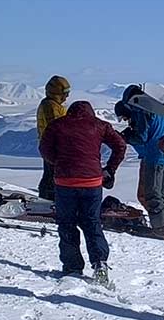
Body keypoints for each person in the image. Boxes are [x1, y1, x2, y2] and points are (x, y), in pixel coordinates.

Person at [38, 100, 127, 281]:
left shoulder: (58, 125)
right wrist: (110, 169)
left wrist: (59, 163)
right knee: (91, 221)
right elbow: (120, 145)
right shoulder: (100, 125)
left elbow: (44, 148)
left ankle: (72, 267)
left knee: (67, 223)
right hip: (92, 182)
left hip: (65, 181)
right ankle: (100, 262)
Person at [117, 86, 164, 239]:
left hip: (154, 155)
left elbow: (141, 137)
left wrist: (126, 136)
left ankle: (160, 228)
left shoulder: (141, 110)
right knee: (162, 193)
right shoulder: (158, 109)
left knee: (152, 194)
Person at [34, 75, 70, 200]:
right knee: (51, 175)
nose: (67, 96)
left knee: (50, 173)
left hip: (51, 145)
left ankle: (48, 198)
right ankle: (47, 200)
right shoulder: (51, 106)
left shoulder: (53, 105)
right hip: (53, 146)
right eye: (65, 93)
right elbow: (56, 126)